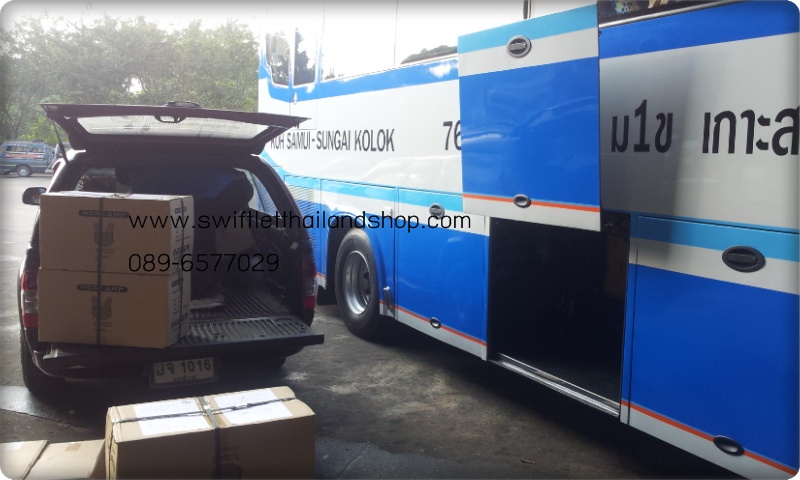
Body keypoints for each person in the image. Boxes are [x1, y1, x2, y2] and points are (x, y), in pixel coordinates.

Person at [116, 165, 254, 309]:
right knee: (198, 231)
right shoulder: (155, 169)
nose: (131, 185)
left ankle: (207, 294)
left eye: (128, 182)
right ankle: (209, 286)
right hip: (236, 186)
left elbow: (135, 209)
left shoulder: (146, 177)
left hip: (230, 190)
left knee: (196, 234)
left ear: (131, 174)